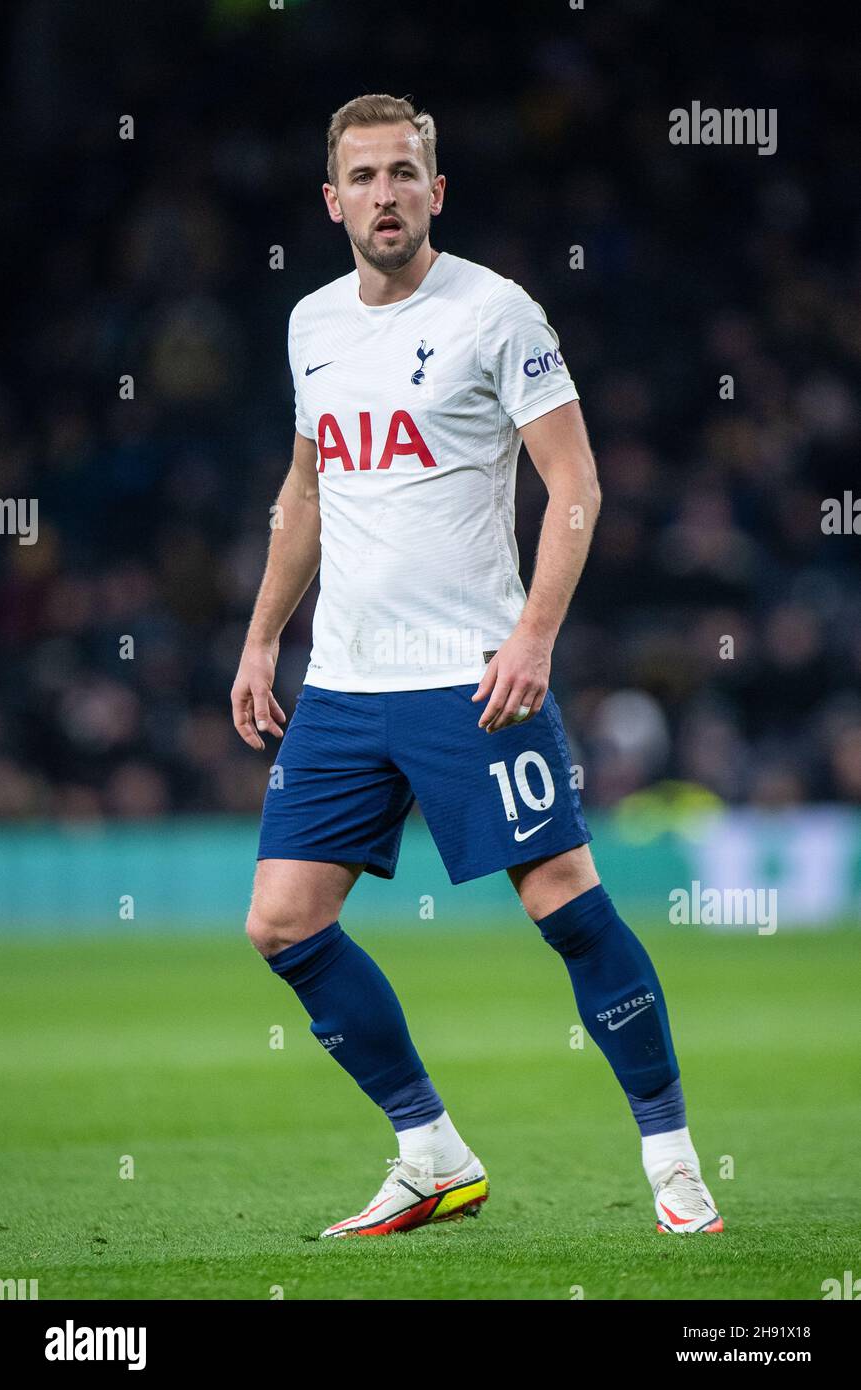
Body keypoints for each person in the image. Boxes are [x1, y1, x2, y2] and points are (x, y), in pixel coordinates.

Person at [231, 93, 722, 1239]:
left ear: (435, 190)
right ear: (331, 199)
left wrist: (535, 636)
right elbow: (306, 494)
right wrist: (262, 636)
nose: (385, 194)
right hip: (347, 684)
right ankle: (430, 1151)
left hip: (472, 677)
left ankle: (674, 1158)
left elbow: (576, 487)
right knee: (280, 922)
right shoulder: (310, 324)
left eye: (404, 173)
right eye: (363, 177)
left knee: (568, 907)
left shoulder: (497, 313)